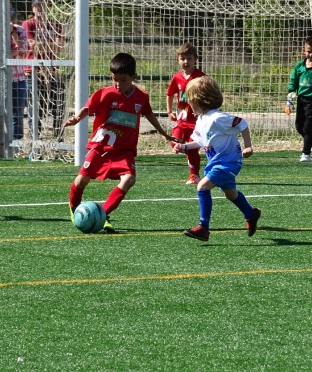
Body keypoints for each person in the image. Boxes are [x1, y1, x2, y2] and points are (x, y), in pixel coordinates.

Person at [63, 53, 178, 232]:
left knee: (129, 179)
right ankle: (73, 208)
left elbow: (148, 114)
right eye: (114, 79)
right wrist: (77, 118)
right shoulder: (105, 94)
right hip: (101, 147)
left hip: (124, 149)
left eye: (122, 80)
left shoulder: (141, 97)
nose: (118, 84)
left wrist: (163, 134)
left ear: (134, 77)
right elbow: (88, 108)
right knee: (81, 180)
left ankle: (102, 214)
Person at [176, 76, 261, 242]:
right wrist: (184, 147)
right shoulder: (201, 120)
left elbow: (242, 123)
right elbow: (200, 142)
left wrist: (248, 146)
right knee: (231, 195)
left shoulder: (216, 117)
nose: (188, 105)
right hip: (216, 163)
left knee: (202, 187)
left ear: (198, 100)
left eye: (190, 100)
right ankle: (251, 214)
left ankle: (203, 228)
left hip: (228, 163)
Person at [0, 7, 29, 158]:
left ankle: (17, 147)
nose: (7, 13)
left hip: (18, 78)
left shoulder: (19, 29)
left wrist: (12, 33)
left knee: (18, 114)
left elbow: (25, 49)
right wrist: (14, 52)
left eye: (10, 9)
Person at [22, 0, 65, 140]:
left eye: (43, 5)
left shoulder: (56, 24)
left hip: (53, 72)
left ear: (48, 6)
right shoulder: (28, 24)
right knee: (36, 110)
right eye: (37, 6)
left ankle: (58, 139)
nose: (41, 8)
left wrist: (43, 45)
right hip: (34, 72)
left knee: (58, 107)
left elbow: (59, 48)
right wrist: (51, 46)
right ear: (33, 8)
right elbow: (33, 47)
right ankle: (36, 141)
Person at [166, 42, 206, 184]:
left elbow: (207, 95)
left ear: (195, 59)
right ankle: (184, 149)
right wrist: (169, 110)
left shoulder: (201, 77)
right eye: (182, 59)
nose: (186, 61)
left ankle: (194, 175)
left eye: (189, 58)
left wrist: (202, 110)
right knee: (174, 142)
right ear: (178, 60)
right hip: (181, 119)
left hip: (196, 122)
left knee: (192, 148)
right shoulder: (176, 77)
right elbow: (170, 94)